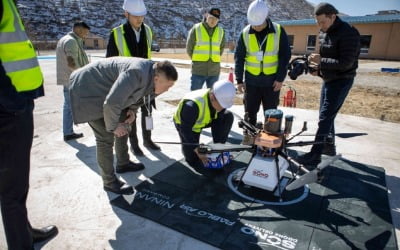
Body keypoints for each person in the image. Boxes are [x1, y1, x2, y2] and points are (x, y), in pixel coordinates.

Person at [69, 57, 178, 194]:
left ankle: (123, 163)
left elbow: (140, 97)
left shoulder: (154, 77)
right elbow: (112, 103)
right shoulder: (136, 73)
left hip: (110, 94)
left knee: (125, 123)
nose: (168, 90)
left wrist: (132, 109)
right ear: (157, 79)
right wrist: (113, 127)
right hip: (88, 89)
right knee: (105, 137)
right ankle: (109, 182)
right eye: (167, 86)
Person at [0, 0, 58, 248]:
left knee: (16, 182)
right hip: (9, 105)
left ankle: (23, 231)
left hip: (15, 101)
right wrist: (10, 99)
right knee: (12, 187)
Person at [296, 2, 360, 166]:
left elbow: (345, 63)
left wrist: (320, 61)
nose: (320, 26)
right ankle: (329, 147)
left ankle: (315, 155)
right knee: (325, 116)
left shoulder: (349, 33)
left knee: (325, 118)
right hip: (328, 79)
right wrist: (319, 70)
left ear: (333, 16)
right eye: (317, 23)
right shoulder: (324, 32)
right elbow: (328, 58)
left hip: (342, 81)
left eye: (323, 22)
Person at [106, 0, 160, 156]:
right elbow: (110, 62)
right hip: (128, 83)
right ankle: (134, 144)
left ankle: (148, 139)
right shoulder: (116, 33)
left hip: (147, 81)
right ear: (126, 14)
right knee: (131, 115)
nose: (139, 19)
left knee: (148, 112)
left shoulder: (148, 31)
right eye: (135, 16)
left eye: (142, 16)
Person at [234, 0, 291, 145]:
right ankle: (249, 137)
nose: (256, 27)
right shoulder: (245, 33)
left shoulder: (278, 31)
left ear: (266, 18)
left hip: (271, 83)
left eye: (259, 24)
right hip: (251, 82)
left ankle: (269, 142)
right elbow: (239, 58)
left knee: (271, 115)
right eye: (254, 24)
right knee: (249, 112)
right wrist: (239, 80)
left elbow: (285, 56)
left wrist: (280, 78)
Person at [173, 80, 236, 175]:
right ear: (212, 97)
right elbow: (185, 130)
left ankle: (218, 148)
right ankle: (193, 153)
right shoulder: (191, 105)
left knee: (227, 116)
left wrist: (218, 147)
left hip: (205, 120)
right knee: (192, 159)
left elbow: (219, 119)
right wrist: (197, 149)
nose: (222, 108)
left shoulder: (219, 98)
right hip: (187, 126)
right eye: (221, 105)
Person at [56, 21, 90, 141]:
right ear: (79, 30)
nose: (85, 36)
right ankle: (68, 132)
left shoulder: (66, 39)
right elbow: (72, 63)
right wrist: (82, 74)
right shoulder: (71, 41)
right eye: (85, 33)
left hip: (68, 78)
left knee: (68, 105)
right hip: (71, 79)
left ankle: (68, 131)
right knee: (70, 106)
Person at [186, 7, 225, 91]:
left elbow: (220, 49)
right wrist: (197, 60)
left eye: (215, 19)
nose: (213, 21)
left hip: (214, 72)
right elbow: (189, 48)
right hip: (198, 70)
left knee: (212, 99)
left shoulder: (221, 31)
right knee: (194, 96)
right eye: (211, 18)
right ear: (207, 16)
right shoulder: (196, 28)